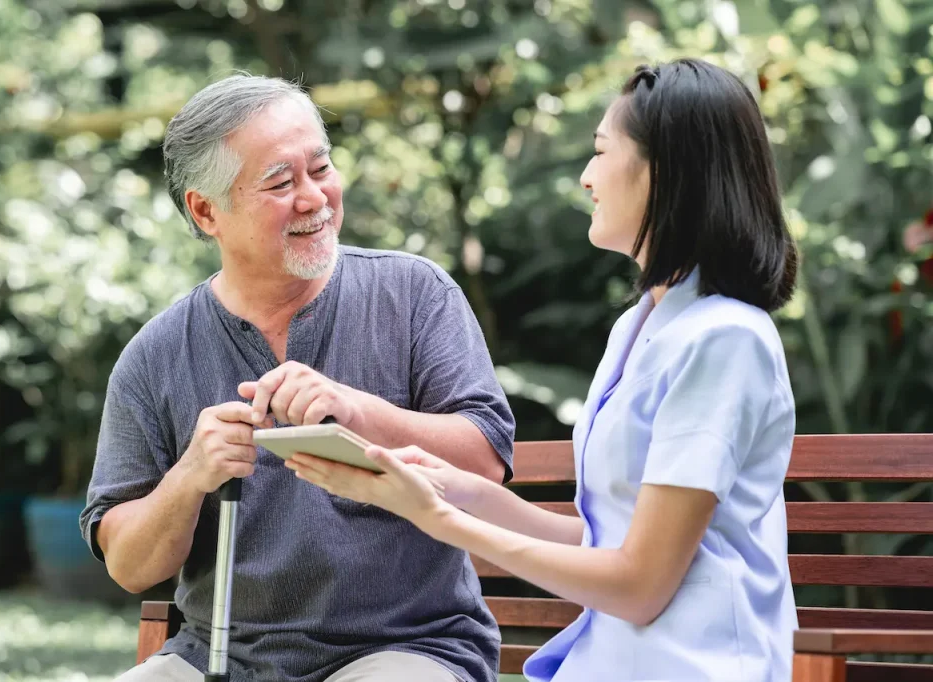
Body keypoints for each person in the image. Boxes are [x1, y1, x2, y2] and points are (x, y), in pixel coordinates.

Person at [287, 58, 800, 681]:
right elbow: (602, 544)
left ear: (663, 171)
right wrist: (456, 489)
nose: (586, 177)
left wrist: (438, 520)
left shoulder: (726, 340)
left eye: (601, 152)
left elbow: (639, 584)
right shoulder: (642, 326)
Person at [79, 73, 516, 682]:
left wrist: (358, 413)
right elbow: (128, 565)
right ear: (206, 211)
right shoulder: (155, 355)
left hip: (408, 649)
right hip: (216, 659)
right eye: (281, 183)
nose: (314, 197)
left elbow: (485, 462)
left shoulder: (415, 294)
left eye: (322, 168)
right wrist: (189, 476)